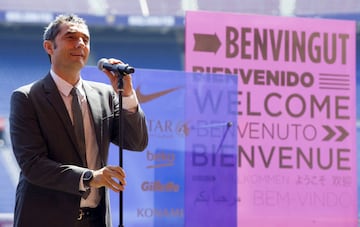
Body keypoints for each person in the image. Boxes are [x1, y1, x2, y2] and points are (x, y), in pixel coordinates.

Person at [9, 14, 148, 227]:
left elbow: (136, 142)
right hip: (45, 219)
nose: (80, 43)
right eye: (71, 37)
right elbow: (32, 164)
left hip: (95, 220)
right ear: (49, 47)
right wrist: (90, 177)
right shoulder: (27, 98)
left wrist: (127, 94)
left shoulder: (106, 95)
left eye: (85, 39)